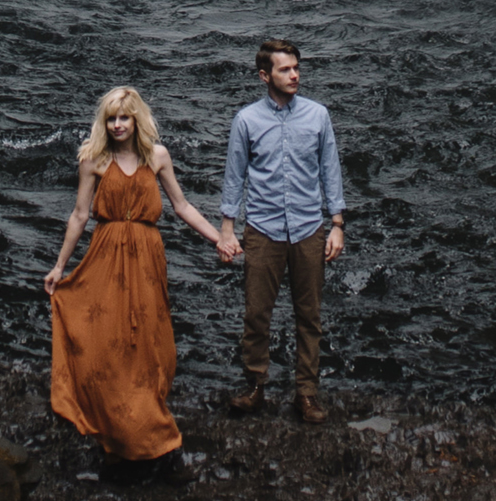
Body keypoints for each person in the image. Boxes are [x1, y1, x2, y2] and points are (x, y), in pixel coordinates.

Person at [45, 83, 226, 464]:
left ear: (137, 118)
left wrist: (220, 239)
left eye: (124, 117)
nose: (117, 125)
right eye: (110, 119)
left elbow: (182, 206)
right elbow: (79, 215)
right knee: (107, 339)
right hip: (105, 256)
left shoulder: (157, 156)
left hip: (147, 257)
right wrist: (60, 266)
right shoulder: (92, 160)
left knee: (149, 342)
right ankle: (119, 428)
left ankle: (148, 421)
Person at [216, 34, 345, 424]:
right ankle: (255, 386)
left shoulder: (318, 116)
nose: (294, 75)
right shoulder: (247, 121)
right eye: (285, 69)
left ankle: (305, 394)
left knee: (310, 316)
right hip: (263, 229)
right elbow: (234, 176)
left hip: (309, 229)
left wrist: (337, 224)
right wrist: (227, 229)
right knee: (257, 314)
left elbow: (330, 171)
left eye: (296, 68)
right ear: (263, 75)